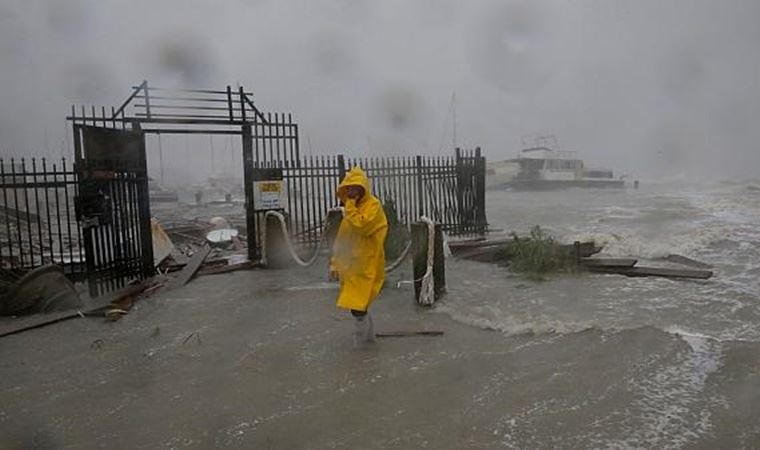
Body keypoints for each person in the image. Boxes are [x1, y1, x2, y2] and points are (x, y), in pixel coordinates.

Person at [330, 167, 388, 346]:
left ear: (364, 187)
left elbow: (363, 226)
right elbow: (342, 240)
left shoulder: (373, 206)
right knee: (359, 305)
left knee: (358, 307)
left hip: (366, 264)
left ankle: (360, 345)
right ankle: (369, 341)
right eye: (348, 188)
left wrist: (349, 207)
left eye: (355, 187)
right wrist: (334, 264)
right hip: (351, 266)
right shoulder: (351, 209)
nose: (352, 192)